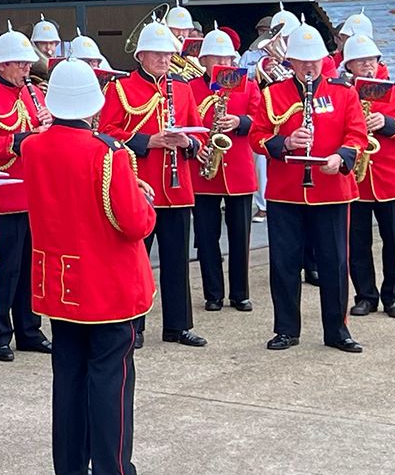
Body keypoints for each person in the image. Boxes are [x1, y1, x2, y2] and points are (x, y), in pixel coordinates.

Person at [21, 60, 160, 475]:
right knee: (111, 379)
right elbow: (133, 223)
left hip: (59, 281)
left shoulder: (35, 148)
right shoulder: (109, 153)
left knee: (68, 374)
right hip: (105, 283)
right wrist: (142, 197)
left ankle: (69, 469)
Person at [258, 23, 368, 353]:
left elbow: (358, 135)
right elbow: (258, 136)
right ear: (290, 62)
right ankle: (286, 328)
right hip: (286, 190)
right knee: (284, 262)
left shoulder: (343, 93)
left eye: (315, 61)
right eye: (302, 62)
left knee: (334, 263)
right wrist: (286, 142)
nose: (309, 67)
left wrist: (341, 156)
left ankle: (337, 329)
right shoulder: (273, 94)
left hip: (331, 189)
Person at [100, 21, 206, 348]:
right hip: (139, 185)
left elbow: (199, 137)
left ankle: (178, 325)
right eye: (158, 54)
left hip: (177, 189)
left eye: (168, 54)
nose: (164, 60)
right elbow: (107, 135)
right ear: (142, 55)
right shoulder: (121, 89)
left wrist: (188, 144)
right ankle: (134, 326)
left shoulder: (184, 88)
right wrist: (150, 141)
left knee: (177, 261)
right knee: (135, 262)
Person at [0, 26, 53, 359]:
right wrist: (28, 136)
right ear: (2, 65)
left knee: (32, 266)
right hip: (3, 193)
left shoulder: (35, 93)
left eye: (27, 64)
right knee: (5, 268)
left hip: (33, 190)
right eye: (19, 64)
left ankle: (30, 330)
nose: (26, 70)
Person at [339, 35, 395, 319]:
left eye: (371, 61)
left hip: (390, 177)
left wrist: (387, 123)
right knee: (357, 242)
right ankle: (365, 295)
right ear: (350, 66)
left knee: (394, 241)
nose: (368, 67)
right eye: (361, 62)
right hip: (356, 178)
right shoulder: (344, 92)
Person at [191, 27, 261, 314]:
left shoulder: (249, 85)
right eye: (217, 57)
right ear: (204, 59)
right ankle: (213, 294)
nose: (225, 64)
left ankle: (240, 293)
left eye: (229, 59)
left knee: (240, 235)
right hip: (204, 169)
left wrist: (240, 122)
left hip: (239, 170)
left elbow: (261, 120)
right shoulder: (191, 87)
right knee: (206, 237)